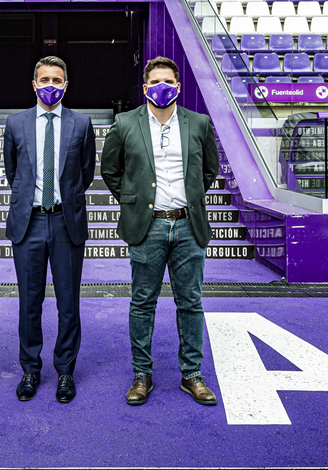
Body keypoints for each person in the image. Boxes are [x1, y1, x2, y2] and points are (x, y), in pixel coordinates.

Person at [100, 56, 221, 406]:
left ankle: (192, 375)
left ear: (178, 86)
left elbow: (208, 170)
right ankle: (142, 373)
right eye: (155, 82)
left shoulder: (198, 123)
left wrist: (191, 199)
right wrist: (134, 201)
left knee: (191, 302)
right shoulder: (125, 123)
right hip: (147, 227)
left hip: (187, 225)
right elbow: (111, 170)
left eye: (167, 81)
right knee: (142, 303)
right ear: (145, 87)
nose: (161, 87)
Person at [3, 56, 96, 403]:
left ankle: (65, 371)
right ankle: (30, 369)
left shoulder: (82, 124)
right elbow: (14, 173)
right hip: (28, 223)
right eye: (44, 79)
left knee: (68, 304)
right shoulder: (15, 123)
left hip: (65, 222)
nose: (51, 85)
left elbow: (84, 175)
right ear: (33, 83)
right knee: (30, 302)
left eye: (57, 80)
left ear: (66, 85)